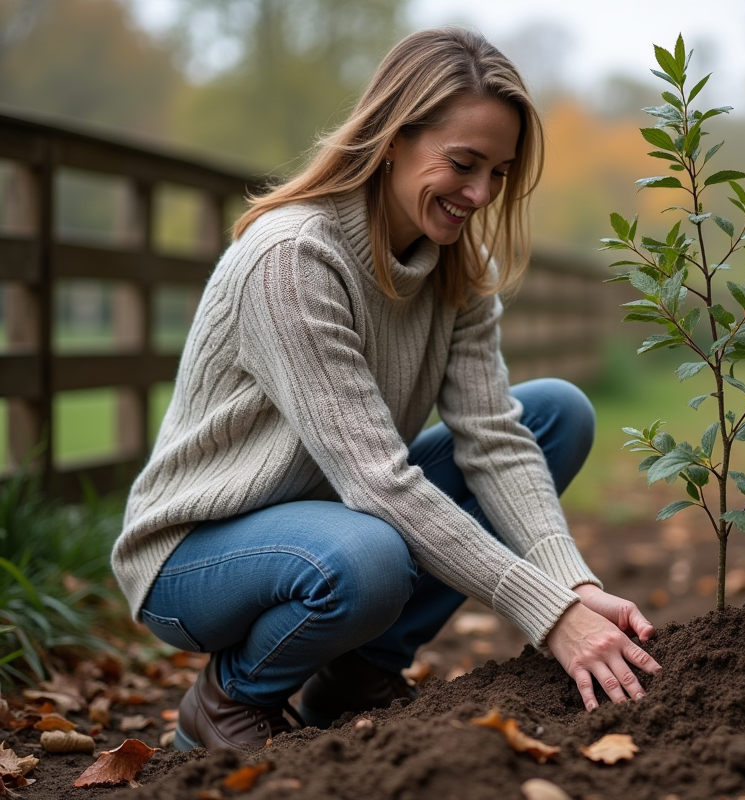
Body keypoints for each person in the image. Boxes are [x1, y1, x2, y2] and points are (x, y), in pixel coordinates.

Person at [112, 27, 661, 753]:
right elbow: (379, 482)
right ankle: (228, 700)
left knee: (556, 414)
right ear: (393, 137)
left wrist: (575, 586)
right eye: (464, 164)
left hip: (333, 518)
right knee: (368, 553)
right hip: (197, 554)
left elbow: (494, 438)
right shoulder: (292, 258)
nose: (479, 194)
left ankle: (356, 673)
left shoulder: (457, 267)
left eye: (497, 173)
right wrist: (549, 615)